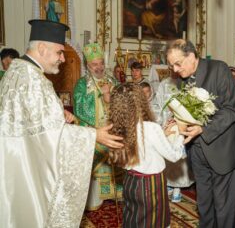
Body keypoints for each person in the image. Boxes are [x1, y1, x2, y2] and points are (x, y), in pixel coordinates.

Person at [0, 19, 123, 227]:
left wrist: (59, 114)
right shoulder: (34, 81)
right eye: (59, 52)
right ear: (41, 48)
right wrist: (94, 135)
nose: (63, 58)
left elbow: (35, 126)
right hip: (27, 171)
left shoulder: (17, 72)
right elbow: (50, 137)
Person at [166, 39, 235, 227]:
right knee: (204, 204)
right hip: (197, 151)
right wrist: (177, 121)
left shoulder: (218, 70)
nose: (175, 70)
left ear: (191, 55)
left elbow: (231, 109)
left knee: (224, 208)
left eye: (177, 64)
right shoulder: (183, 80)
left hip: (223, 149)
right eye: (171, 65)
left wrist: (204, 128)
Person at [108, 83, 186, 228]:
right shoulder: (150, 128)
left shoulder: (117, 127)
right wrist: (180, 133)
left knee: (133, 218)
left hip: (131, 182)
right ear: (141, 101)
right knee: (153, 222)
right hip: (150, 185)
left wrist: (163, 134)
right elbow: (175, 155)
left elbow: (143, 145)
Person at [73, 43, 122, 211]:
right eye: (95, 64)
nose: (99, 67)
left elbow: (122, 101)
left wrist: (112, 94)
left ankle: (113, 192)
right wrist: (100, 93)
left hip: (112, 128)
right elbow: (79, 107)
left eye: (101, 63)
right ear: (88, 65)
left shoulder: (112, 80)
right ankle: (94, 199)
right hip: (93, 131)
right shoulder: (82, 84)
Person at [152, 69, 194, 203]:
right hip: (167, 124)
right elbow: (157, 105)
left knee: (180, 155)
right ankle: (170, 182)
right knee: (167, 154)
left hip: (182, 124)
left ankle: (178, 188)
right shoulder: (164, 84)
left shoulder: (187, 83)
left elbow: (191, 104)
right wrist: (161, 121)